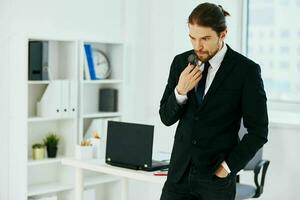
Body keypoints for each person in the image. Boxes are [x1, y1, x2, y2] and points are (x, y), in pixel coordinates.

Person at [159, 2, 268, 200]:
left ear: (223, 34)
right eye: (192, 38)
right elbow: (166, 118)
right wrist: (180, 91)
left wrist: (226, 168)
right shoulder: (180, 63)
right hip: (178, 177)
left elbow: (258, 132)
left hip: (215, 182)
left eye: (205, 38)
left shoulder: (246, 71)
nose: (197, 46)